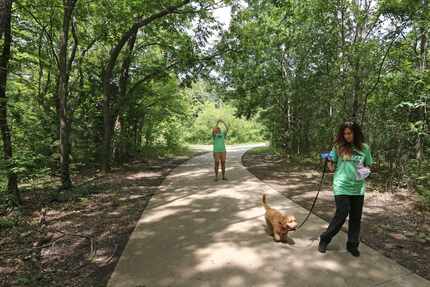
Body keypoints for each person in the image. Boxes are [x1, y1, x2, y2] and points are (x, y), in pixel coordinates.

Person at [318, 121, 373, 257]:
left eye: (349, 133)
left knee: (355, 217)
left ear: (356, 133)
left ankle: (352, 245)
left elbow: (369, 165)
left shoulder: (364, 148)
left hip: (358, 188)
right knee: (342, 213)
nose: (347, 136)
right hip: (341, 185)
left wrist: (365, 171)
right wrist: (329, 161)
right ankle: (325, 239)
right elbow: (332, 166)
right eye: (344, 133)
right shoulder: (338, 146)